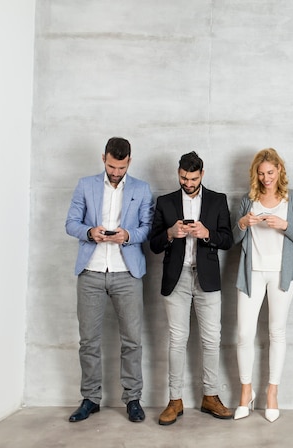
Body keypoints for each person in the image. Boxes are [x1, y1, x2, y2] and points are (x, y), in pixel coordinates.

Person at [65, 137, 154, 423]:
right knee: (88, 341)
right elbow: (71, 223)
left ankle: (133, 399)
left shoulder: (141, 189)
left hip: (127, 272)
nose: (116, 172)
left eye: (122, 167)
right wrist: (90, 232)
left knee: (132, 341)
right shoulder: (85, 185)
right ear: (103, 158)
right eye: (112, 166)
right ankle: (90, 398)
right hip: (90, 272)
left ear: (130, 160)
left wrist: (127, 236)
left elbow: (147, 228)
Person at [149, 151, 234, 425]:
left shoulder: (218, 200)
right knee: (177, 340)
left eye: (193, 178)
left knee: (211, 340)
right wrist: (170, 234)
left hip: (207, 278)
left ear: (202, 175)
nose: (188, 182)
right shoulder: (165, 202)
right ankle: (175, 400)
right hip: (177, 278)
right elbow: (153, 243)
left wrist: (206, 234)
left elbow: (227, 240)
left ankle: (210, 396)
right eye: (184, 177)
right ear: (178, 174)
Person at [232, 148, 293, 423]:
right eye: (261, 174)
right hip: (251, 273)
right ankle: (245, 392)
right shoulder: (248, 200)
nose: (266, 178)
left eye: (271, 173)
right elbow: (234, 239)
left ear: (279, 171)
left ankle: (272, 393)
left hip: (282, 274)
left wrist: (283, 225)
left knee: (277, 333)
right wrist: (242, 222)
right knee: (244, 334)